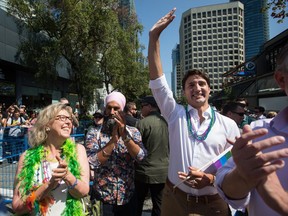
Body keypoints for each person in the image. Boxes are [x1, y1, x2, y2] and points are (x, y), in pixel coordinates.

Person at [148, 8, 240, 216]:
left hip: (214, 202)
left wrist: (211, 179)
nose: (196, 88)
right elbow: (158, 84)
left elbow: (234, 164)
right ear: (184, 92)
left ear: (209, 89)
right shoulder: (175, 115)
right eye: (191, 85)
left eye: (201, 84)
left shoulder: (228, 125)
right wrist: (154, 38)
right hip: (175, 200)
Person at [216, 43, 288, 215]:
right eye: (240, 112)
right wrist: (241, 177)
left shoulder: (240, 127)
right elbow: (223, 162)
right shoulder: (251, 130)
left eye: (244, 112)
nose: (244, 116)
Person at [12, 103, 90, 215]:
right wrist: (48, 185)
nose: (68, 122)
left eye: (70, 119)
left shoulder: (78, 150)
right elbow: (17, 206)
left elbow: (83, 191)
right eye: (62, 118)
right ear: (47, 124)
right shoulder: (27, 157)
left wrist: (68, 176)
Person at [88, 91, 146, 216]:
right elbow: (92, 162)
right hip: (104, 199)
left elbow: (141, 157)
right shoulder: (94, 133)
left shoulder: (133, 132)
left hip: (127, 197)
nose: (112, 112)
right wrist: (113, 140)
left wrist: (124, 136)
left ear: (123, 111)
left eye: (116, 108)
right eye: (109, 108)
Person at [134, 96, 169, 216]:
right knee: (159, 205)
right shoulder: (168, 123)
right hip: (162, 171)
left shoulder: (142, 124)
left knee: (137, 203)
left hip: (143, 172)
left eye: (142, 106)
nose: (141, 109)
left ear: (149, 106)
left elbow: (135, 149)